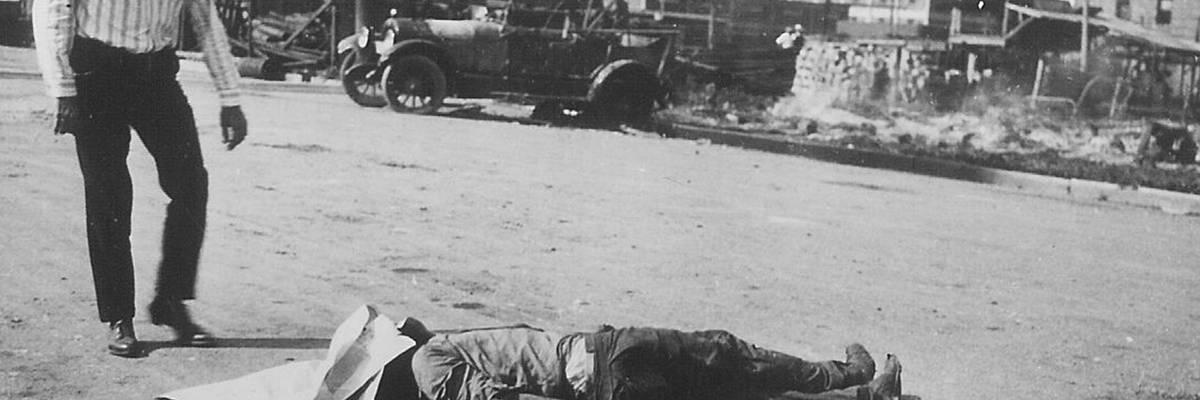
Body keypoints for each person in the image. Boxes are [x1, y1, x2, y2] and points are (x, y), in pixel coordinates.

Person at [31, 0, 249, 357]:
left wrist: (230, 98)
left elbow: (206, 23)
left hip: (155, 75)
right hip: (95, 75)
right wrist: (62, 88)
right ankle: (120, 316)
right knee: (109, 197)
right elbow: (54, 9)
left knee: (190, 183)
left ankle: (170, 300)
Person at [389, 318, 902, 400]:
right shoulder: (430, 361)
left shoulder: (442, 359)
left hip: (601, 379)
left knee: (730, 391)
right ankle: (849, 377)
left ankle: (861, 394)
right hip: (604, 363)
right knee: (726, 355)